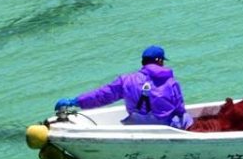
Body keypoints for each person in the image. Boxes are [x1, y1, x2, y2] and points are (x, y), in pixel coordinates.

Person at [56, 45, 192, 128]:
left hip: (137, 125)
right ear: (160, 61)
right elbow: (179, 109)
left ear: (143, 62)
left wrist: (75, 101)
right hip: (165, 127)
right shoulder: (171, 82)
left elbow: (102, 95)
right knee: (185, 117)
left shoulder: (125, 80)